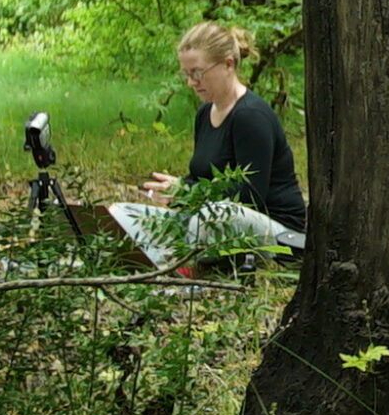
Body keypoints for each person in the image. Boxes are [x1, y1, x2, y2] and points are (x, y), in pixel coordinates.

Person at [110, 22, 307, 268]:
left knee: (211, 218)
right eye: (186, 74)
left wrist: (187, 194)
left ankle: (173, 265)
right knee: (121, 213)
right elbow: (200, 178)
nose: (192, 82)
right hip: (208, 219)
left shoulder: (250, 116)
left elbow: (249, 196)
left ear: (228, 64)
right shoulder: (204, 114)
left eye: (198, 72)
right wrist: (175, 191)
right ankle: (160, 262)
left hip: (276, 234)